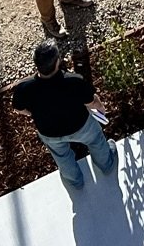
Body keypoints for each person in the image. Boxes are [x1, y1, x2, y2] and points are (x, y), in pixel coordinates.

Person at [11, 39, 116, 186]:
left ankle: (75, 181)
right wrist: (100, 109)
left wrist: (33, 113)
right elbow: (92, 103)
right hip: (81, 126)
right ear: (57, 62)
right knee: (95, 141)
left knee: (62, 156)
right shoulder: (74, 81)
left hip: (49, 132)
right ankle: (106, 164)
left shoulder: (24, 88)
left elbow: (19, 108)